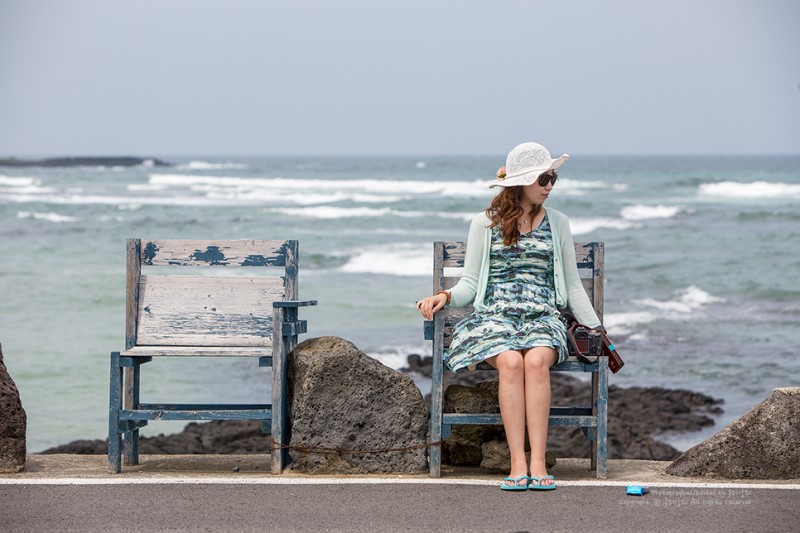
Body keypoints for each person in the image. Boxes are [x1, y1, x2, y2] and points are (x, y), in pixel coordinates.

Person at [416, 142, 603, 491]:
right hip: (493, 318)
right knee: (512, 365)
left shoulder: (558, 223)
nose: (549, 185)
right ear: (521, 181)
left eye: (553, 178)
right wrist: (443, 295)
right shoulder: (485, 224)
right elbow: (470, 284)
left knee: (534, 363)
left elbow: (574, 287)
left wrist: (596, 328)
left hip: (543, 317)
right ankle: (517, 461)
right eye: (543, 178)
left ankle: (537, 460)